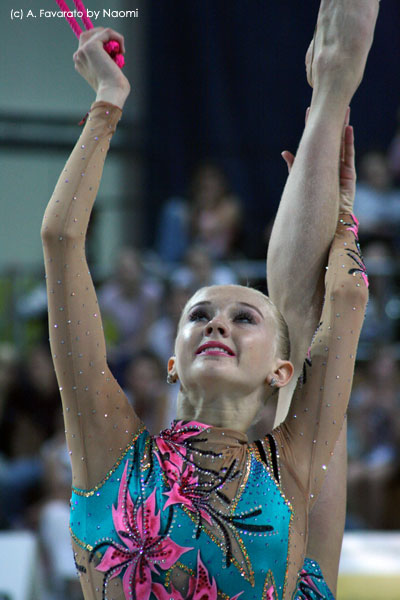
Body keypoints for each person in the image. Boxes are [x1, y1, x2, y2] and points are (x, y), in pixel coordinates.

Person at [41, 2, 379, 598]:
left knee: (303, 315)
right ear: (171, 361)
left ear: (279, 369)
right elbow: (62, 240)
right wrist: (108, 99)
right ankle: (331, 84)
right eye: (198, 314)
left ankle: (332, 81)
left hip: (293, 523)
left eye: (241, 317)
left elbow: (341, 304)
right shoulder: (110, 451)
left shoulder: (292, 467)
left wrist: (347, 217)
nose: (216, 323)